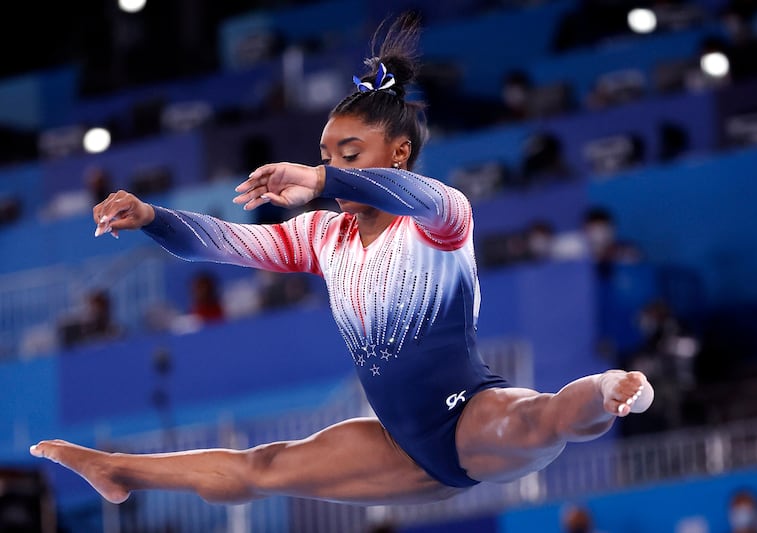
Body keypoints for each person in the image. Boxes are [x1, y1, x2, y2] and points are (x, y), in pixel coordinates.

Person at [30, 15, 654, 507]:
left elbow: (397, 192)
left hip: (467, 416)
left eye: (350, 153)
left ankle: (611, 390)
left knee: (538, 419)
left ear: (400, 151)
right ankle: (114, 470)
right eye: (327, 151)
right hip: (397, 445)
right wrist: (153, 218)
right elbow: (220, 241)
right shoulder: (322, 236)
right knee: (261, 468)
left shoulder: (439, 216)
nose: (333, 165)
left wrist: (323, 177)